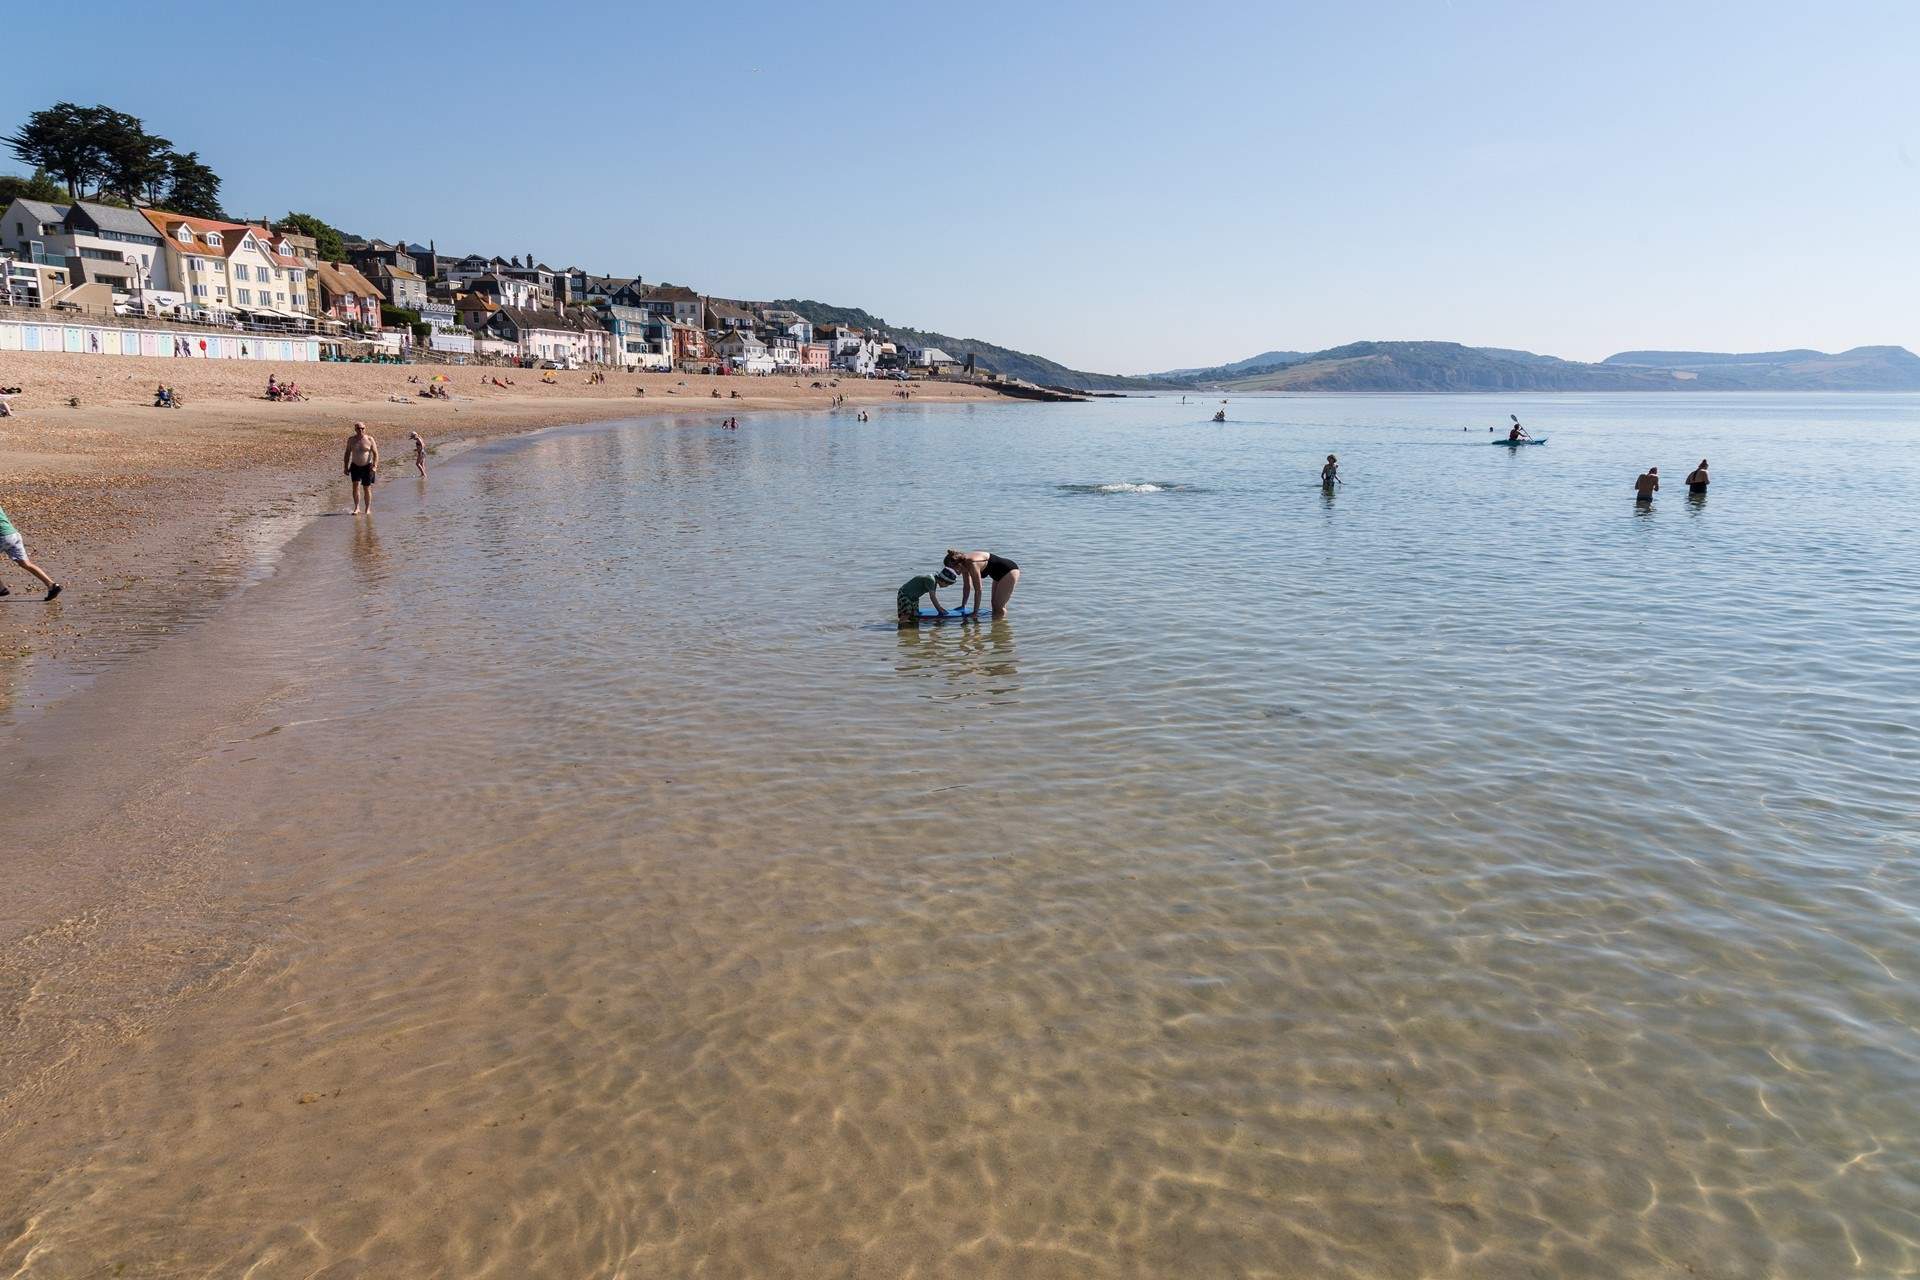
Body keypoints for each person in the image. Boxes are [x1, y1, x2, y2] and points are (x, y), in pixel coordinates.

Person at [0, 502, 62, 600]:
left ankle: (1, 589)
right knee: (26, 564)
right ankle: (52, 585)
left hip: (2, 536)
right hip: (14, 535)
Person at [944, 549, 1020, 618]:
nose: (954, 571)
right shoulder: (963, 564)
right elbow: (967, 587)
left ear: (958, 564)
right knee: (994, 605)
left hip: (1009, 571)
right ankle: (997, 625)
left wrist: (975, 612)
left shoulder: (971, 563)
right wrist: (963, 606)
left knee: (998, 606)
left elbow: (978, 590)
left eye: (953, 568)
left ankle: (1002, 625)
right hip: (997, 574)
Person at [344, 422, 380, 513]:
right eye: (358, 428)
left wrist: (375, 466)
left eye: (362, 428)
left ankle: (367, 509)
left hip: (367, 466)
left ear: (365, 429)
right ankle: (357, 507)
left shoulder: (370, 439)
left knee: (366, 488)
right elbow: (347, 453)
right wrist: (345, 467)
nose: (360, 430)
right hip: (355, 465)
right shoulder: (351, 440)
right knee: (355, 486)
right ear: (355, 429)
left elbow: (376, 454)